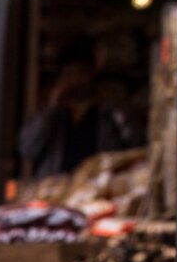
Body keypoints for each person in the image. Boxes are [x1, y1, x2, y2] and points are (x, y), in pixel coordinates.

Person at [17, 37, 143, 180]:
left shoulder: (108, 113)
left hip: (97, 189)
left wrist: (117, 110)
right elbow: (27, 149)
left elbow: (136, 145)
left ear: (91, 74)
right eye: (68, 74)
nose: (75, 80)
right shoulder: (53, 115)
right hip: (58, 191)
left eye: (80, 73)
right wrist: (50, 110)